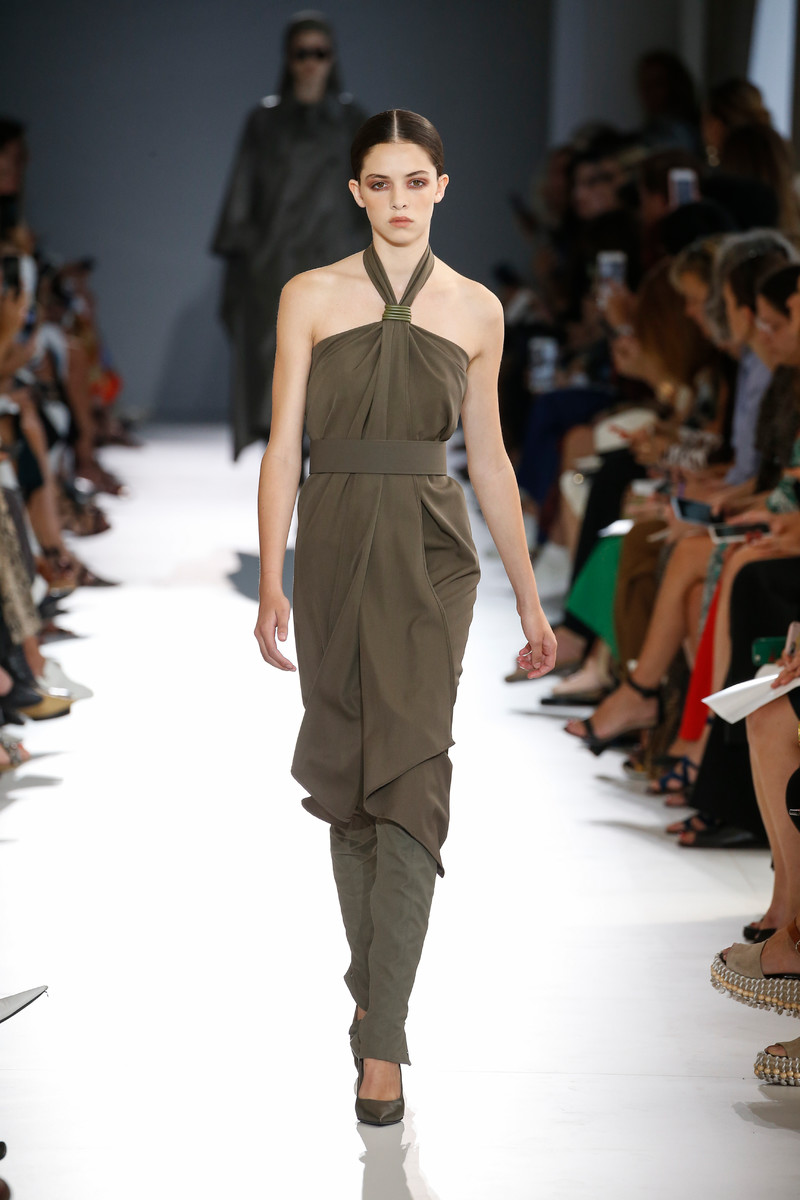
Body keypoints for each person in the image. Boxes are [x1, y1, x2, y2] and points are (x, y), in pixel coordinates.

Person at [253, 109, 556, 1125]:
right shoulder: (308, 296)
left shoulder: (477, 310)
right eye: (379, 183)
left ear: (441, 186)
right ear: (355, 192)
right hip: (336, 543)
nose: (397, 200)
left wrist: (529, 598)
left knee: (415, 782)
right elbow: (283, 445)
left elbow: (492, 461)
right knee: (349, 781)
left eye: (414, 181)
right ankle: (374, 993)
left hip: (431, 553)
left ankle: (382, 1039)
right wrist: (271, 578)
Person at [212, 13, 367, 459]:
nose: (311, 62)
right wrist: (242, 251)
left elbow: (371, 187)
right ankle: (288, 468)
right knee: (276, 369)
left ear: (332, 58)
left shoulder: (352, 120)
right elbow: (243, 187)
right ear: (288, 58)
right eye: (302, 53)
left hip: (337, 257)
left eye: (320, 52)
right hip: (273, 264)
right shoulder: (264, 121)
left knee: (334, 366)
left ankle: (325, 472)